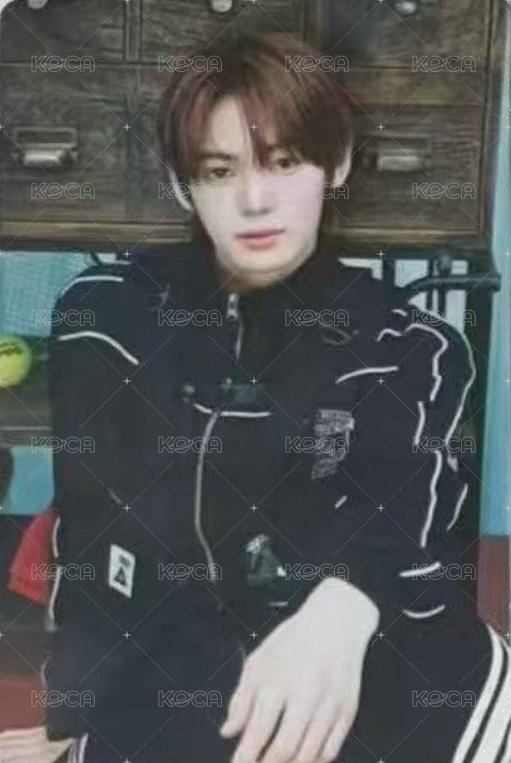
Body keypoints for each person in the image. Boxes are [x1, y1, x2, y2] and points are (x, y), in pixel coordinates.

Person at [44, 30, 511, 763]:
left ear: (338, 163)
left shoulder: (410, 344)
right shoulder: (102, 317)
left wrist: (342, 605)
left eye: (285, 161)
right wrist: (70, 717)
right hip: (179, 683)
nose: (254, 200)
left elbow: (405, 511)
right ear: (182, 183)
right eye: (219, 169)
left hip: (377, 665)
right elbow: (91, 537)